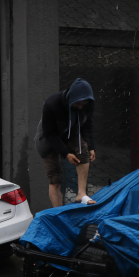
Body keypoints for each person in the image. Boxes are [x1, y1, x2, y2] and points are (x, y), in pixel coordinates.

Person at [35, 78, 97, 207]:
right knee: (55, 179)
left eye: (83, 104)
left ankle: (81, 194)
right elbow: (49, 134)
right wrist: (66, 154)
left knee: (83, 150)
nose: (81, 107)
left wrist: (92, 147)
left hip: (69, 133)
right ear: (71, 98)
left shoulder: (87, 104)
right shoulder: (51, 104)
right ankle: (58, 212)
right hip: (47, 140)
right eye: (78, 103)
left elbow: (87, 125)